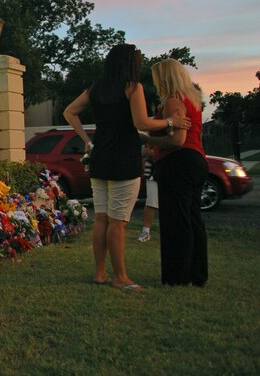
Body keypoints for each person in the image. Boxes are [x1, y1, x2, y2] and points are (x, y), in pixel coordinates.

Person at [63, 44, 190, 291]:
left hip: (100, 158)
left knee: (101, 219)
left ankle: (100, 273)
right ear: (132, 63)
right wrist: (171, 121)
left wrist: (87, 141)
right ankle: (120, 277)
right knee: (118, 221)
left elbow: (70, 112)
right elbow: (141, 122)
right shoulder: (133, 87)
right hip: (124, 159)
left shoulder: (96, 87)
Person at [141, 58, 208, 286]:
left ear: (165, 78)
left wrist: (146, 139)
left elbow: (177, 140)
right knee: (192, 219)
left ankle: (177, 276)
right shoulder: (192, 99)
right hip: (196, 160)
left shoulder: (173, 101)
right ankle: (197, 274)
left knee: (176, 221)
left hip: (178, 162)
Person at [138, 152, 158, 242]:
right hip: (154, 170)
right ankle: (146, 231)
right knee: (151, 201)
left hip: (167, 166)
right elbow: (147, 151)